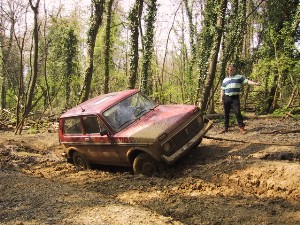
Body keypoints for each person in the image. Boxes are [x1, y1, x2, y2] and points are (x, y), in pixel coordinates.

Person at [220, 64, 260, 134]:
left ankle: (242, 128)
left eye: (233, 69)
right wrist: (221, 98)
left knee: (237, 112)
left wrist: (255, 83)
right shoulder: (225, 80)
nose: (231, 71)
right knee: (226, 113)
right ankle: (226, 128)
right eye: (230, 70)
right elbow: (222, 89)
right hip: (227, 97)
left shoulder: (239, 77)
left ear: (234, 70)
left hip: (235, 97)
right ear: (227, 71)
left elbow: (247, 81)